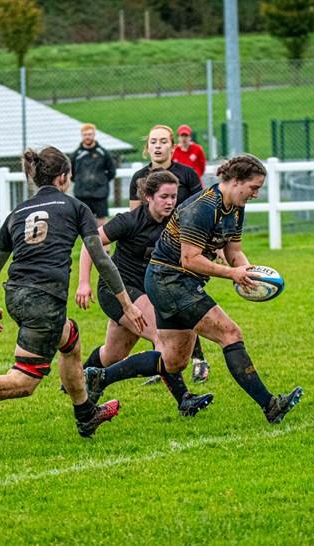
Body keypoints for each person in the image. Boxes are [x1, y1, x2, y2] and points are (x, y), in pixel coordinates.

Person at [0, 146, 146, 445]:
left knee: (70, 340)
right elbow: (101, 259)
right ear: (63, 178)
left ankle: (85, 413)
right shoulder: (76, 207)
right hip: (44, 300)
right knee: (23, 382)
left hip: (15, 296)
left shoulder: (18, 212)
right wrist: (127, 304)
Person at [90, 155, 303, 425]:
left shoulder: (235, 208)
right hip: (169, 281)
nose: (256, 194)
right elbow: (189, 259)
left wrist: (249, 276)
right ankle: (270, 405)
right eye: (254, 187)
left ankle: (101, 377)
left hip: (177, 281)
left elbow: (233, 251)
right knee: (230, 333)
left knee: (175, 360)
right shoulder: (202, 208)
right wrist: (232, 274)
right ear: (236, 181)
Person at [76, 169, 214, 416]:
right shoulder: (130, 221)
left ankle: (79, 380)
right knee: (162, 338)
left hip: (149, 291)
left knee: (113, 354)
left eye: (174, 196)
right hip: (117, 291)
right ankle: (184, 400)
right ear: (149, 197)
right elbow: (91, 244)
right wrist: (83, 282)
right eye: (164, 197)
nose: (170, 202)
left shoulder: (176, 223)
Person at [128, 125, 211, 384]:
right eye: (153, 141)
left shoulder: (186, 174)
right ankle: (162, 361)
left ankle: (198, 360)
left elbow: (201, 210)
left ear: (173, 147)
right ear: (147, 147)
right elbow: (135, 218)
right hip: (151, 252)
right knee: (157, 305)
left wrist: (213, 245)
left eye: (163, 141)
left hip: (181, 248)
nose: (157, 146)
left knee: (185, 302)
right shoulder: (139, 178)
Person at [70, 123, 116, 228]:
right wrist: (80, 182)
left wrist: (101, 182)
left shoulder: (103, 153)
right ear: (81, 135)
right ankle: (87, 240)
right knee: (84, 221)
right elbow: (71, 174)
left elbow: (111, 171)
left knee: (101, 221)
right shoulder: (76, 155)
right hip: (82, 194)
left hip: (100, 194)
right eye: (85, 134)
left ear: (94, 135)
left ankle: (102, 239)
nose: (87, 137)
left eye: (90, 134)